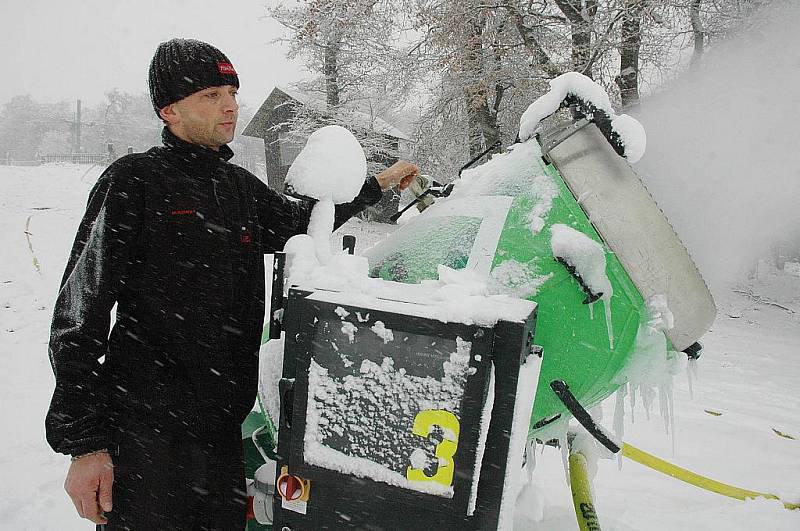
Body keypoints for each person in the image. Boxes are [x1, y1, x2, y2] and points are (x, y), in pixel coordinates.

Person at [45, 38, 418, 530]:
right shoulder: (133, 182)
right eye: (210, 95)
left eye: (232, 92)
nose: (230, 106)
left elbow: (301, 221)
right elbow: (78, 317)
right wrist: (86, 444)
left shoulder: (235, 188)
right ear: (169, 109)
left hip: (221, 437)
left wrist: (377, 184)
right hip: (145, 441)